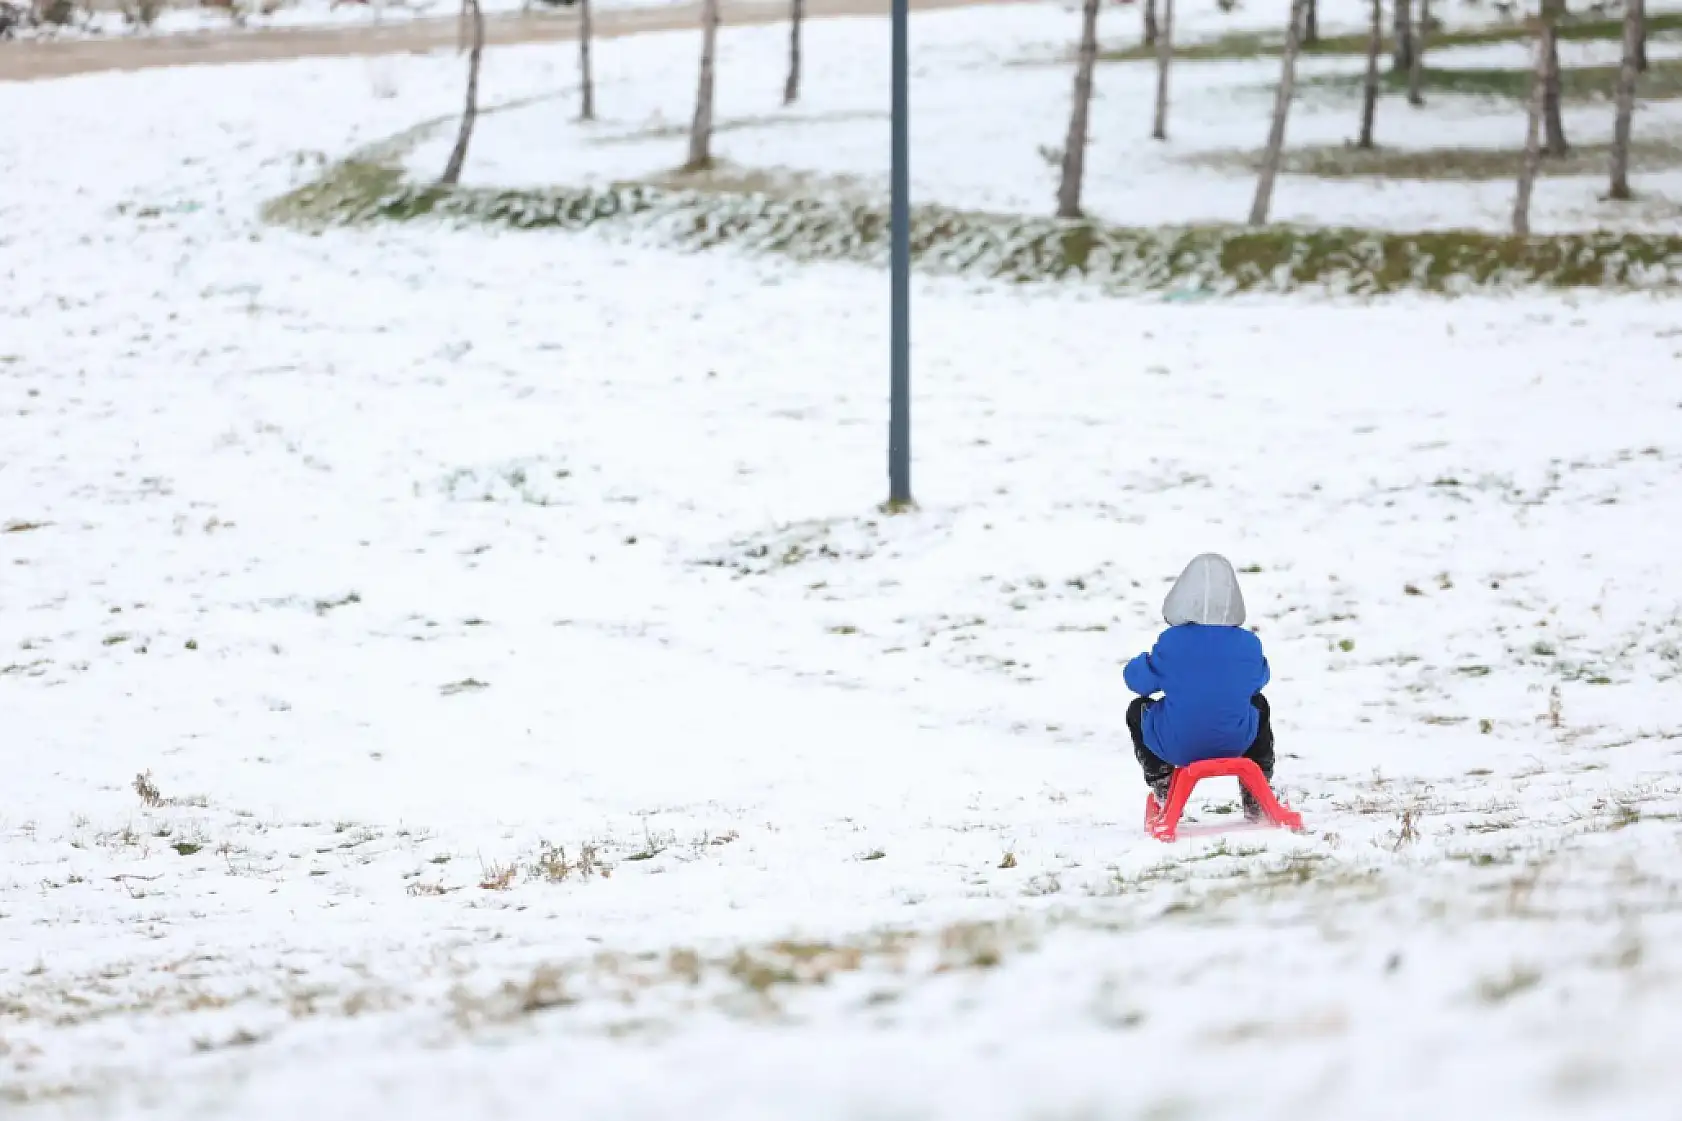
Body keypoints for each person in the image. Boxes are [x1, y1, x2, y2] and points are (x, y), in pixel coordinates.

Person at [1124, 553, 1275, 821]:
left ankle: (1162, 782)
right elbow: (1260, 678)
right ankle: (1257, 790)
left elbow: (1140, 683)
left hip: (1179, 745)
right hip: (1237, 742)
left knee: (1137, 711)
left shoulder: (1171, 643)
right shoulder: (1249, 644)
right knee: (1259, 705)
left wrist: (1142, 662)